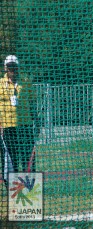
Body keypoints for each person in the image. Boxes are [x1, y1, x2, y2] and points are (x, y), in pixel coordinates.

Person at [0, 55, 40, 187]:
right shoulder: (0, 84)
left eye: (14, 66)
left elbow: (33, 104)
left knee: (27, 157)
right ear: (5, 68)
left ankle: (30, 187)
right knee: (11, 160)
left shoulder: (26, 82)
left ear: (18, 67)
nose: (12, 69)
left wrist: (37, 122)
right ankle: (12, 187)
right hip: (7, 127)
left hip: (25, 126)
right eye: (10, 66)